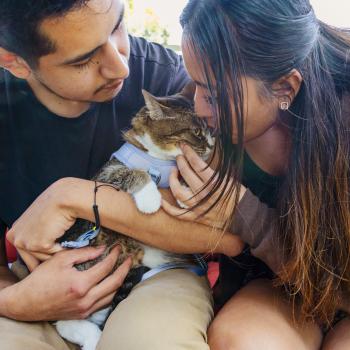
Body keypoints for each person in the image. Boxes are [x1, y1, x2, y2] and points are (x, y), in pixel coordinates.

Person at [0, 0, 243, 349]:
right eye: (83, 60)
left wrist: (72, 198)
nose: (120, 67)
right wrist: (15, 301)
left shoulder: (170, 82)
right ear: (15, 62)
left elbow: (227, 234)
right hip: (34, 282)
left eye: (117, 26)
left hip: (160, 272)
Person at [160, 0, 350, 349]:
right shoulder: (205, 117)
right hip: (280, 283)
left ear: (285, 89)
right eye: (196, 84)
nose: (198, 108)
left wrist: (243, 211)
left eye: (214, 96)